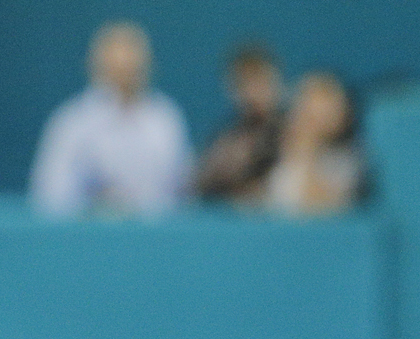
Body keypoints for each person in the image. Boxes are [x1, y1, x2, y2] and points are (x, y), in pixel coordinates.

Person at [30, 21, 191, 217]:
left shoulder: (166, 119)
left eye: (132, 67)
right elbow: (51, 194)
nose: (125, 75)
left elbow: (182, 192)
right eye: (117, 68)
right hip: (89, 237)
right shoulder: (72, 123)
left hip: (155, 238)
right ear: (96, 67)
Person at [263, 71, 363, 216]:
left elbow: (320, 208)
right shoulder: (277, 152)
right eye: (305, 100)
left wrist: (308, 151)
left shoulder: (347, 160)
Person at [195, 43, 283, 204]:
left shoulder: (294, 131)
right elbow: (200, 188)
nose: (253, 91)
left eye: (259, 80)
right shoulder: (226, 139)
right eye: (244, 83)